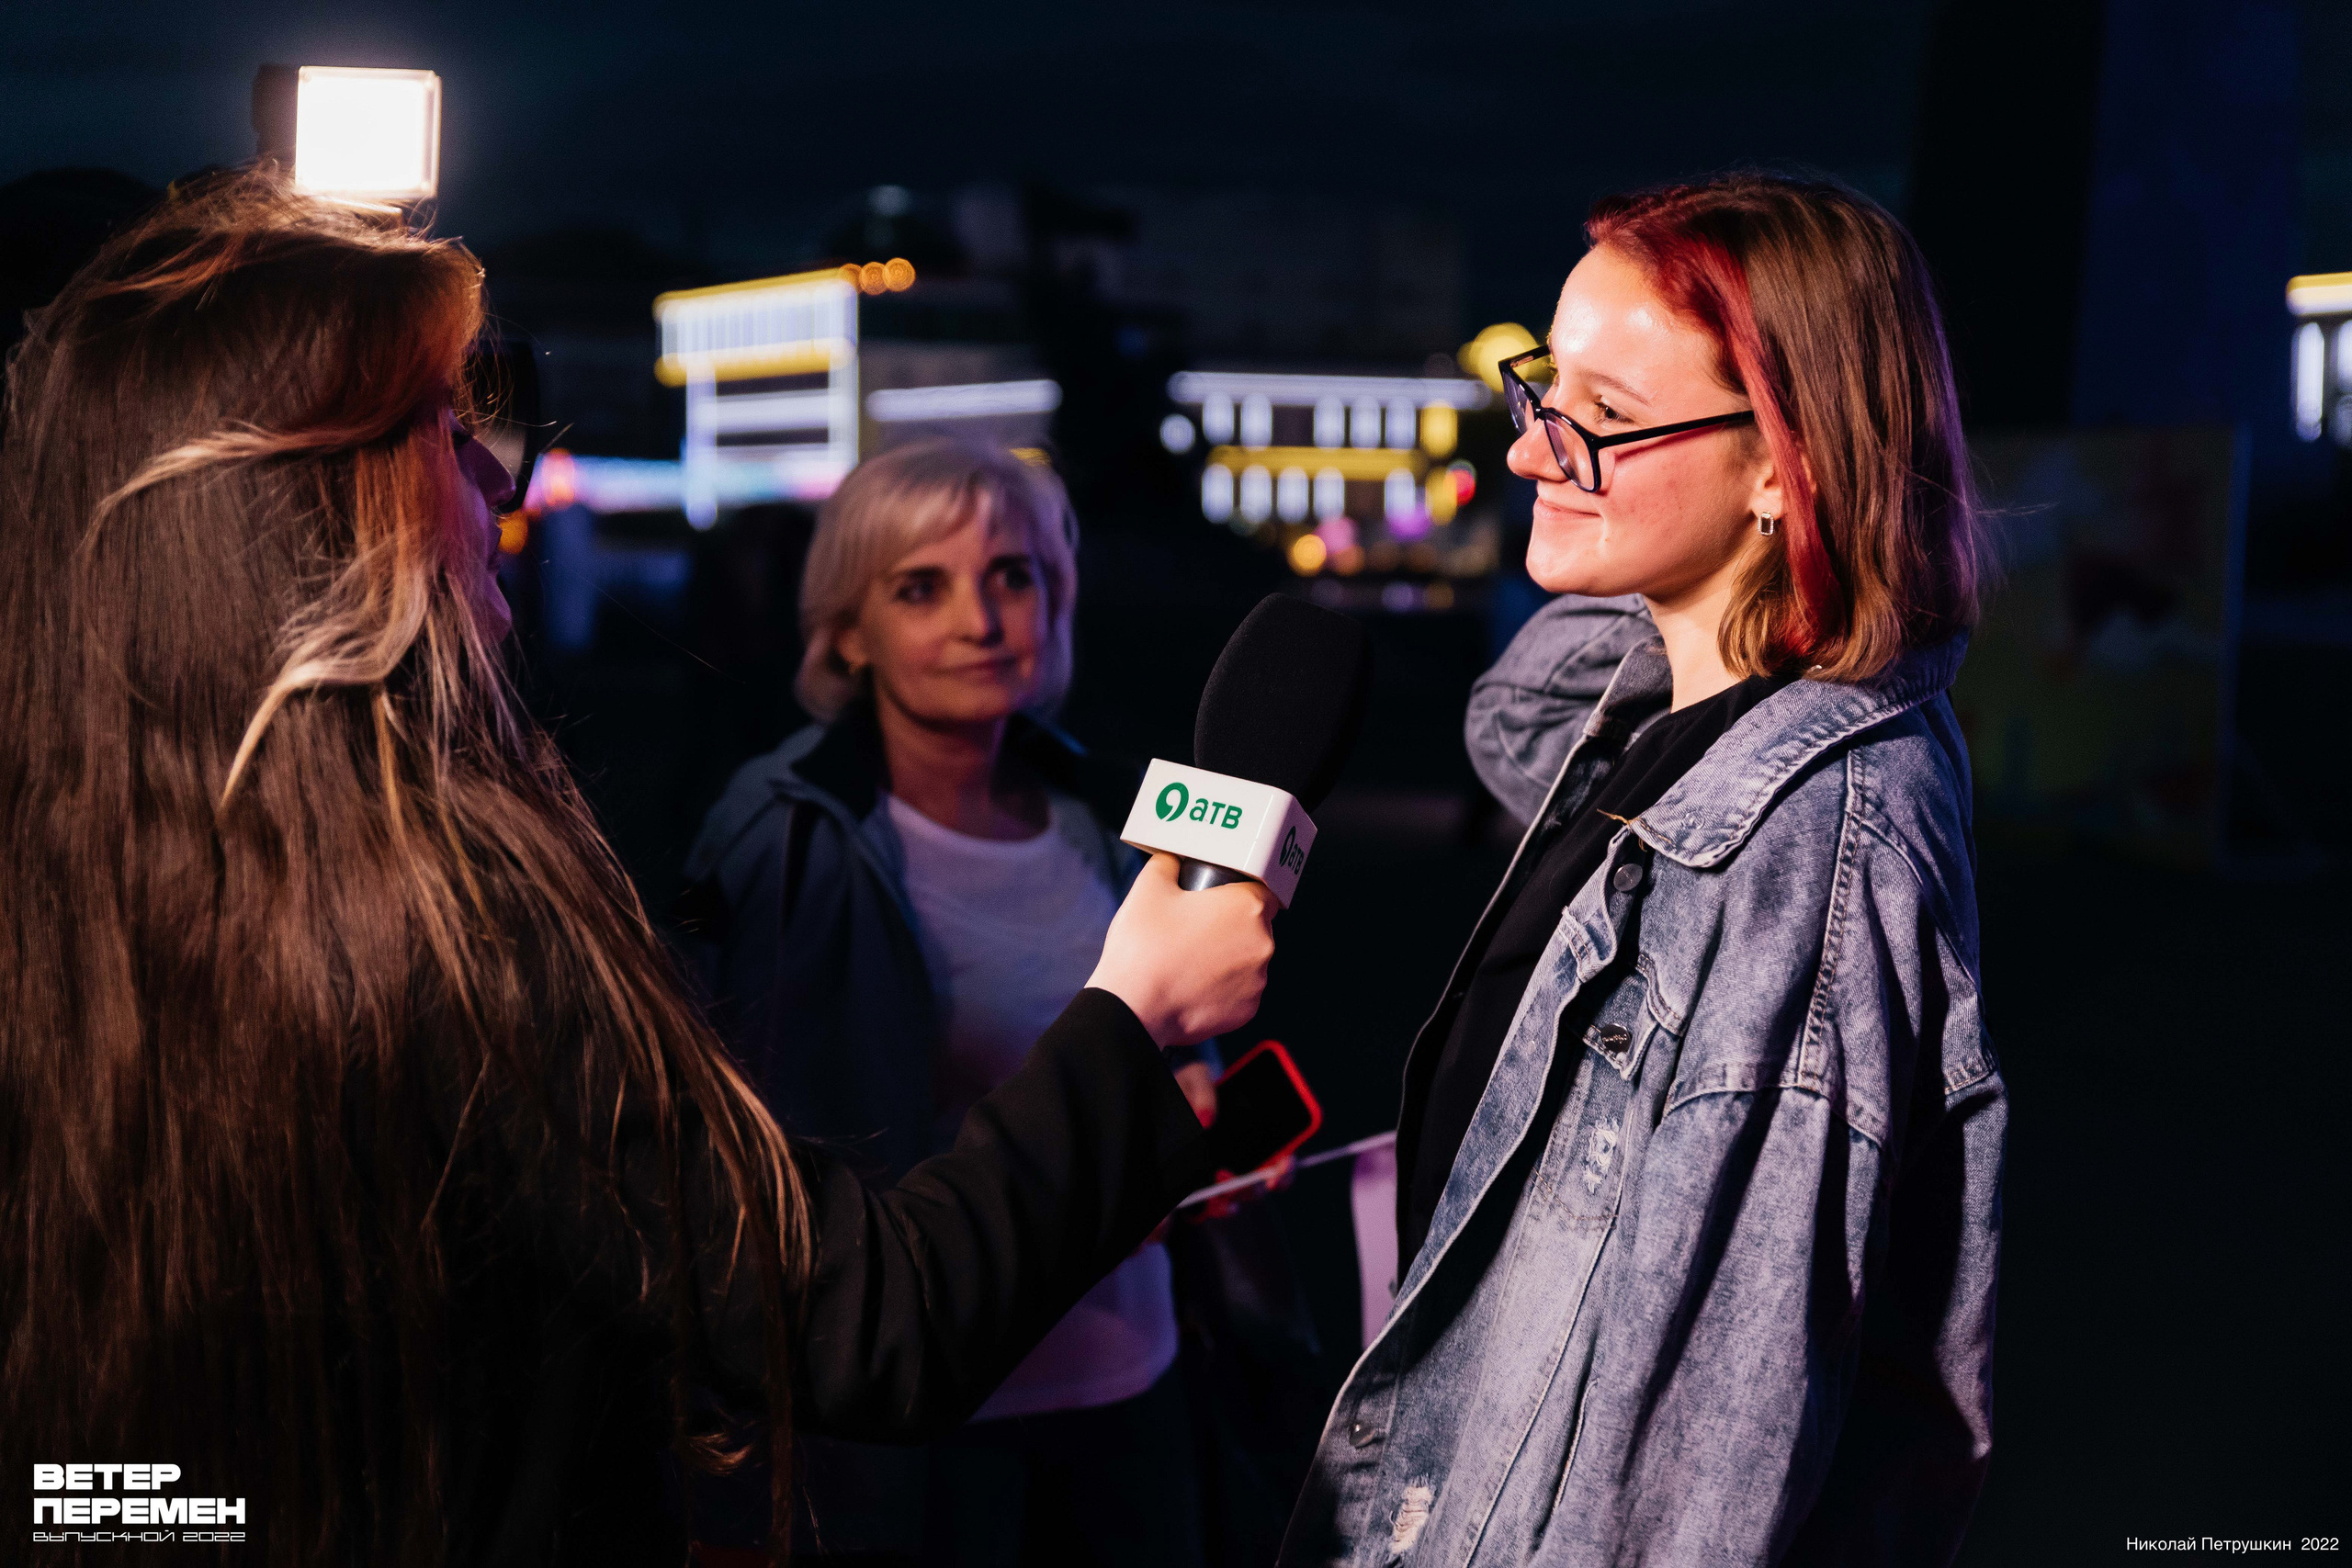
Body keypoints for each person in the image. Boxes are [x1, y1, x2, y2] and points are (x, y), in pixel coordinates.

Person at [0, 170, 1276, 1568]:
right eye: (442, 423)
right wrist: (1134, 1013)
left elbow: (106, 1474)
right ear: (315, 502)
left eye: (1017, 576)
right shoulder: (457, 907)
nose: (497, 475)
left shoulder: (77, 869)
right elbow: (854, 1317)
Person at [1282, 174, 2005, 1565]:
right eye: (1540, 393)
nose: (1530, 454)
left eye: (1602, 421)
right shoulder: (1664, 710)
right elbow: (1516, 714)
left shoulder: (1803, 859)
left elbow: (1697, 1471)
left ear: (1785, 466)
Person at [679, 438, 1217, 1565]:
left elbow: (1137, 1039)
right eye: (920, 587)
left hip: (1131, 1380)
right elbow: (793, 1177)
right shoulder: (794, 838)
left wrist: (1186, 1105)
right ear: (846, 630)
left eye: (1012, 576)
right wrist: (1104, 1169)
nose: (981, 619)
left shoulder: (1096, 811)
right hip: (932, 1434)